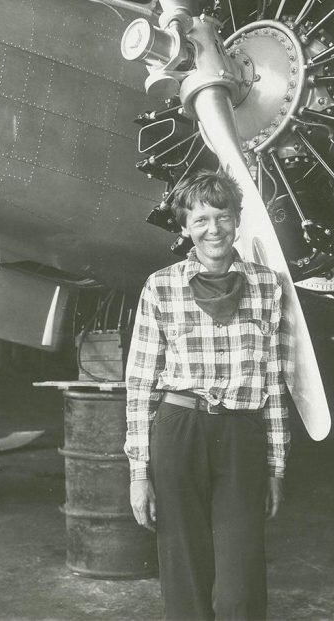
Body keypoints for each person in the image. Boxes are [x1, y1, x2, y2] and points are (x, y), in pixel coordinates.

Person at [124, 169, 291, 620]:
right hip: (179, 429)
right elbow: (140, 383)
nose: (212, 229)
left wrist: (276, 464)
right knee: (184, 571)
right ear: (184, 227)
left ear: (238, 220)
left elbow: (273, 380)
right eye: (200, 220)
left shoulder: (267, 285)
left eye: (222, 216)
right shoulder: (160, 286)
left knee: (241, 580)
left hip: (241, 434)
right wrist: (139, 472)